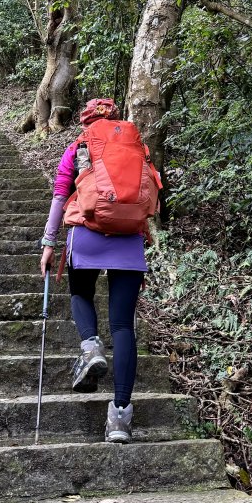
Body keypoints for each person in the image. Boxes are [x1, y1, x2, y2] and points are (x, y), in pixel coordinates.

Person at [39, 98, 158, 445]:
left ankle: (91, 346)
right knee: (123, 325)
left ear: (85, 120)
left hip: (87, 232)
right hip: (130, 240)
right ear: (116, 118)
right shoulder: (138, 147)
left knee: (80, 293)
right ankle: (120, 417)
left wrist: (49, 243)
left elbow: (61, 195)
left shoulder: (79, 146)